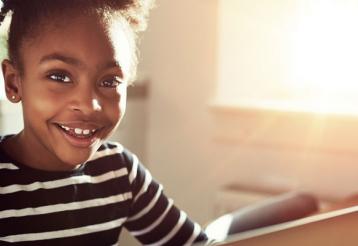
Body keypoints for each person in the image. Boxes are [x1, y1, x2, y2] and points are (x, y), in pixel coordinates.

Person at [0, 0, 210, 245]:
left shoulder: (120, 171)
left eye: (109, 81)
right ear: (14, 83)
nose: (91, 105)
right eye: (60, 76)